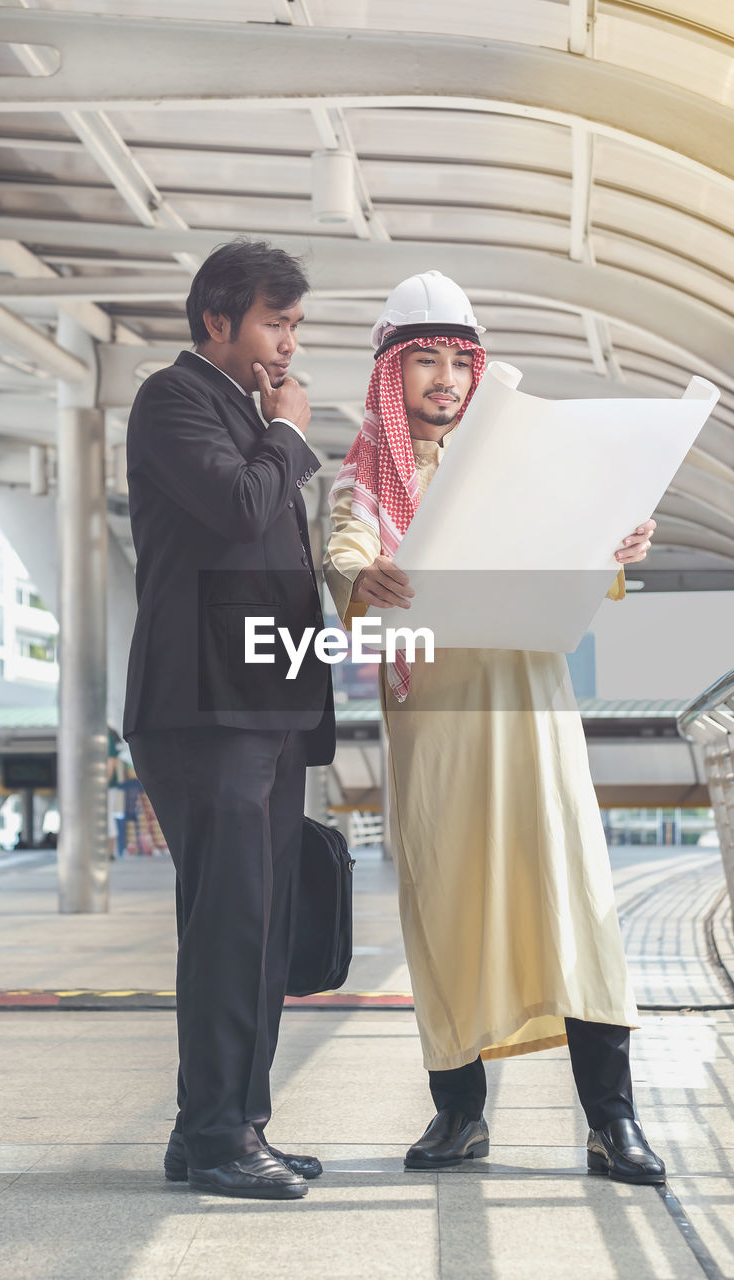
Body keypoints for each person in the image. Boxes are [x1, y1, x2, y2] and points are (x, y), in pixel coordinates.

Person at [323, 270, 665, 1185]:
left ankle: (612, 1123)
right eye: (423, 360)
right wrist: (362, 581)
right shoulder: (361, 482)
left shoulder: (528, 464)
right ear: (390, 374)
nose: (443, 378)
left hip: (532, 715)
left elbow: (586, 544)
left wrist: (616, 546)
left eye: (456, 362)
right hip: (434, 726)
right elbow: (345, 553)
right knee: (444, 906)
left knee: (575, 899)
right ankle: (459, 1118)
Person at [124, 239, 334, 1201]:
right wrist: (286, 436)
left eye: (294, 328)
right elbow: (240, 508)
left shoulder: (240, 415)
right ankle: (213, 1135)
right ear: (217, 320)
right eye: (272, 324)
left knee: (263, 924)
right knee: (229, 922)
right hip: (203, 709)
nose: (287, 347)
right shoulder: (173, 400)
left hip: (265, 702)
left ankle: (230, 1125)